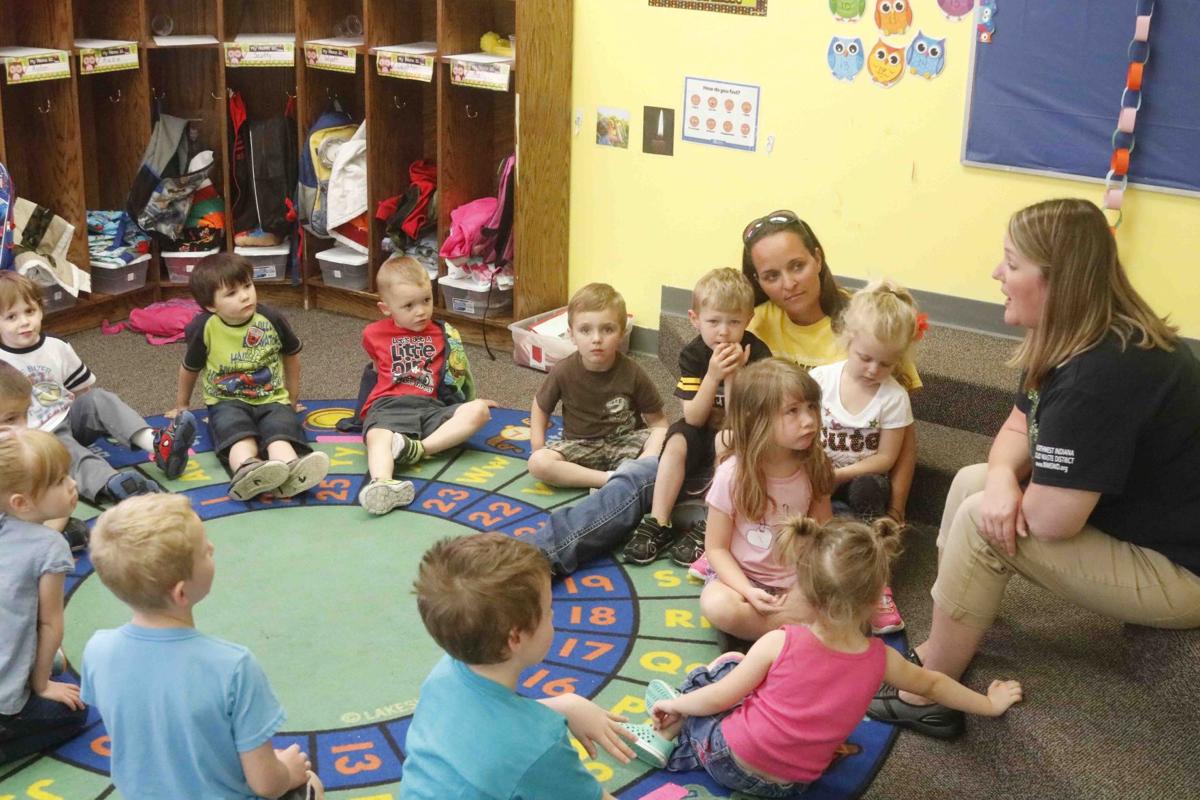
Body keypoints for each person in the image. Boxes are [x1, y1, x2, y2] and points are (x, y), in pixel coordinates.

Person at [869, 198, 1200, 739]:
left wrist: (1002, 498)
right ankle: (956, 629)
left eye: (1012, 263)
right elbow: (1015, 432)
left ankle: (929, 696)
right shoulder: (1072, 337)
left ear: (1058, 279)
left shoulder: (1103, 373)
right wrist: (1001, 478)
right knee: (976, 481)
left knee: (982, 523)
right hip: (1140, 530)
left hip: (1181, 572)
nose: (997, 274)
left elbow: (1051, 522)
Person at [621, 516, 1023, 797]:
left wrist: (676, 703)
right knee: (748, 680)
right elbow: (934, 683)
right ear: (875, 596)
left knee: (719, 672)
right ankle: (682, 724)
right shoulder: (881, 659)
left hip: (732, 759)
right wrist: (989, 704)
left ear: (807, 590)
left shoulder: (780, 641)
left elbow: (719, 699)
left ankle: (669, 732)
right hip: (794, 784)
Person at [81, 494, 325, 799]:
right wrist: (289, 770)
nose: (212, 548)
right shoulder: (233, 666)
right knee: (310, 782)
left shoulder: (97, 649)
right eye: (204, 551)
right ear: (181, 593)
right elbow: (266, 784)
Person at [403, 532, 637, 799]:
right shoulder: (538, 746)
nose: (552, 615)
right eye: (548, 609)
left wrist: (565, 705)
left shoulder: (443, 675)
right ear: (516, 637)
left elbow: (484, 725)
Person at [740, 211, 920, 522]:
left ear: (818, 259)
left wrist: (897, 511)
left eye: (797, 266)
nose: (789, 284)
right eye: (771, 276)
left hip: (859, 471)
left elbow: (903, 439)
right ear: (758, 281)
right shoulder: (753, 324)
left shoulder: (871, 323)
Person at [0, 271, 195, 503]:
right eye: (11, 317)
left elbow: (81, 389)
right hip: (33, 438)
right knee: (71, 453)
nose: (24, 322)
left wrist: (94, 416)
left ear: (41, 310)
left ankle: (156, 443)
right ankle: (112, 483)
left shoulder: (56, 346)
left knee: (98, 398)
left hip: (66, 417)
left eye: (30, 311)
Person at [622, 268, 771, 567]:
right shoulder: (693, 353)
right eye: (713, 321)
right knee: (675, 437)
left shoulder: (758, 353)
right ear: (695, 319)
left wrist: (733, 377)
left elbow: (741, 421)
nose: (724, 332)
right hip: (699, 429)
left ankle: (710, 524)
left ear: (749, 320)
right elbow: (692, 416)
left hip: (738, 434)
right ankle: (659, 521)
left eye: (734, 322)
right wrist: (714, 374)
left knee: (728, 438)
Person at [810, 278, 921, 634]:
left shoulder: (893, 396)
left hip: (860, 482)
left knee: (870, 488)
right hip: (819, 475)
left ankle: (877, 585)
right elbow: (802, 430)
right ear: (848, 338)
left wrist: (840, 475)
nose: (874, 370)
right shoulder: (821, 380)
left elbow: (886, 458)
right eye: (865, 358)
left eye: (886, 364)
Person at [174, 254, 329, 502]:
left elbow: (292, 357)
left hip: (271, 397)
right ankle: (247, 469)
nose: (246, 296)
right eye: (232, 293)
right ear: (211, 306)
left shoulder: (271, 319)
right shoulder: (204, 328)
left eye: (248, 286)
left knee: (280, 431)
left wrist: (292, 398)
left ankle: (291, 469)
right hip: (225, 400)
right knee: (237, 433)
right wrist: (182, 406)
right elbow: (189, 368)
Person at [698, 358, 833, 642]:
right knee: (718, 606)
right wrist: (746, 590)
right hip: (741, 579)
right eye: (792, 411)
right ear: (756, 418)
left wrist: (802, 588)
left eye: (811, 407)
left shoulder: (816, 464)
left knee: (845, 600)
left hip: (796, 580)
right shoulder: (732, 474)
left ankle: (769, 634)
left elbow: (823, 534)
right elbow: (717, 548)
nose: (809, 420)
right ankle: (789, 634)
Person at [357, 255, 492, 514]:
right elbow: (375, 370)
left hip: (431, 407)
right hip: (389, 405)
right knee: (378, 437)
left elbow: (459, 369)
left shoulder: (443, 332)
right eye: (408, 306)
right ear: (386, 309)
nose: (421, 311)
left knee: (479, 411)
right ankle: (382, 483)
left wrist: (471, 399)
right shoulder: (373, 333)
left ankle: (417, 449)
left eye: (426, 301)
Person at [0, 429, 87, 765]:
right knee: (73, 714)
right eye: (58, 480)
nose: (72, 484)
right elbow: (50, 622)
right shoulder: (50, 547)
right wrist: (42, 685)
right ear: (21, 502)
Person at [529, 283, 667, 489]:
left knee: (668, 437)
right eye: (585, 330)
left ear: (622, 333)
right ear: (571, 334)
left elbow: (659, 423)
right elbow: (540, 407)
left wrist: (651, 452)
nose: (596, 339)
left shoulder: (633, 371)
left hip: (626, 443)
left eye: (608, 329)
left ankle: (636, 472)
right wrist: (537, 446)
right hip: (581, 447)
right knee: (538, 463)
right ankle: (613, 479)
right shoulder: (563, 371)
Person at [0, 362, 89, 551]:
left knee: (57, 492)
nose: (23, 426)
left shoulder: (25, 447)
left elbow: (59, 490)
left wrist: (48, 534)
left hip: (21, 519)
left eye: (26, 413)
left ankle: (40, 538)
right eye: (10, 419)